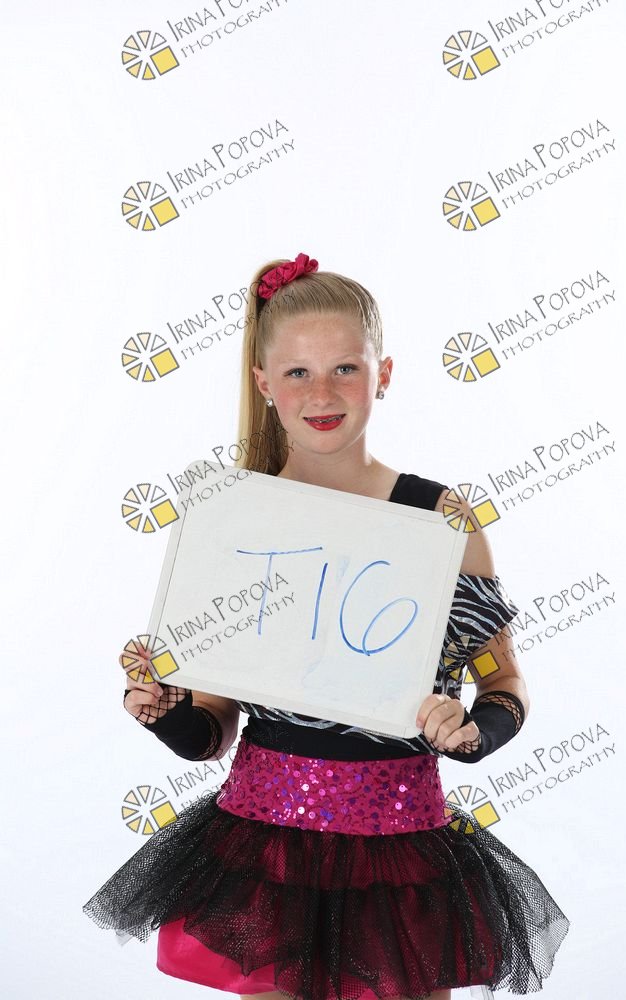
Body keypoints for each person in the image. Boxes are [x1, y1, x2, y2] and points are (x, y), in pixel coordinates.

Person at [83, 253, 570, 1000]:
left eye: (345, 368)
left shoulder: (441, 521)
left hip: (402, 844)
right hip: (265, 849)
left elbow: (503, 678)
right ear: (263, 384)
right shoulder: (232, 522)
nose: (322, 393)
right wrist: (166, 712)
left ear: (383, 374)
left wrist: (474, 730)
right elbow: (211, 730)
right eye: (298, 372)